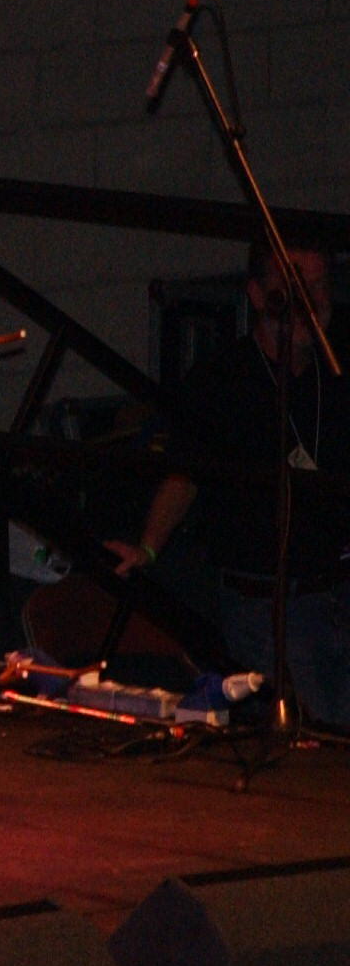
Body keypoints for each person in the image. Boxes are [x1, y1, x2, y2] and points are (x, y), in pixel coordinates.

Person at [108, 245, 348, 727]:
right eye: (294, 286)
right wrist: (148, 548)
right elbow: (185, 475)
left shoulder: (336, 374)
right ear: (258, 295)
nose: (310, 299)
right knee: (310, 733)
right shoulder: (223, 378)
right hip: (262, 603)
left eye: (318, 285)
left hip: (337, 593)